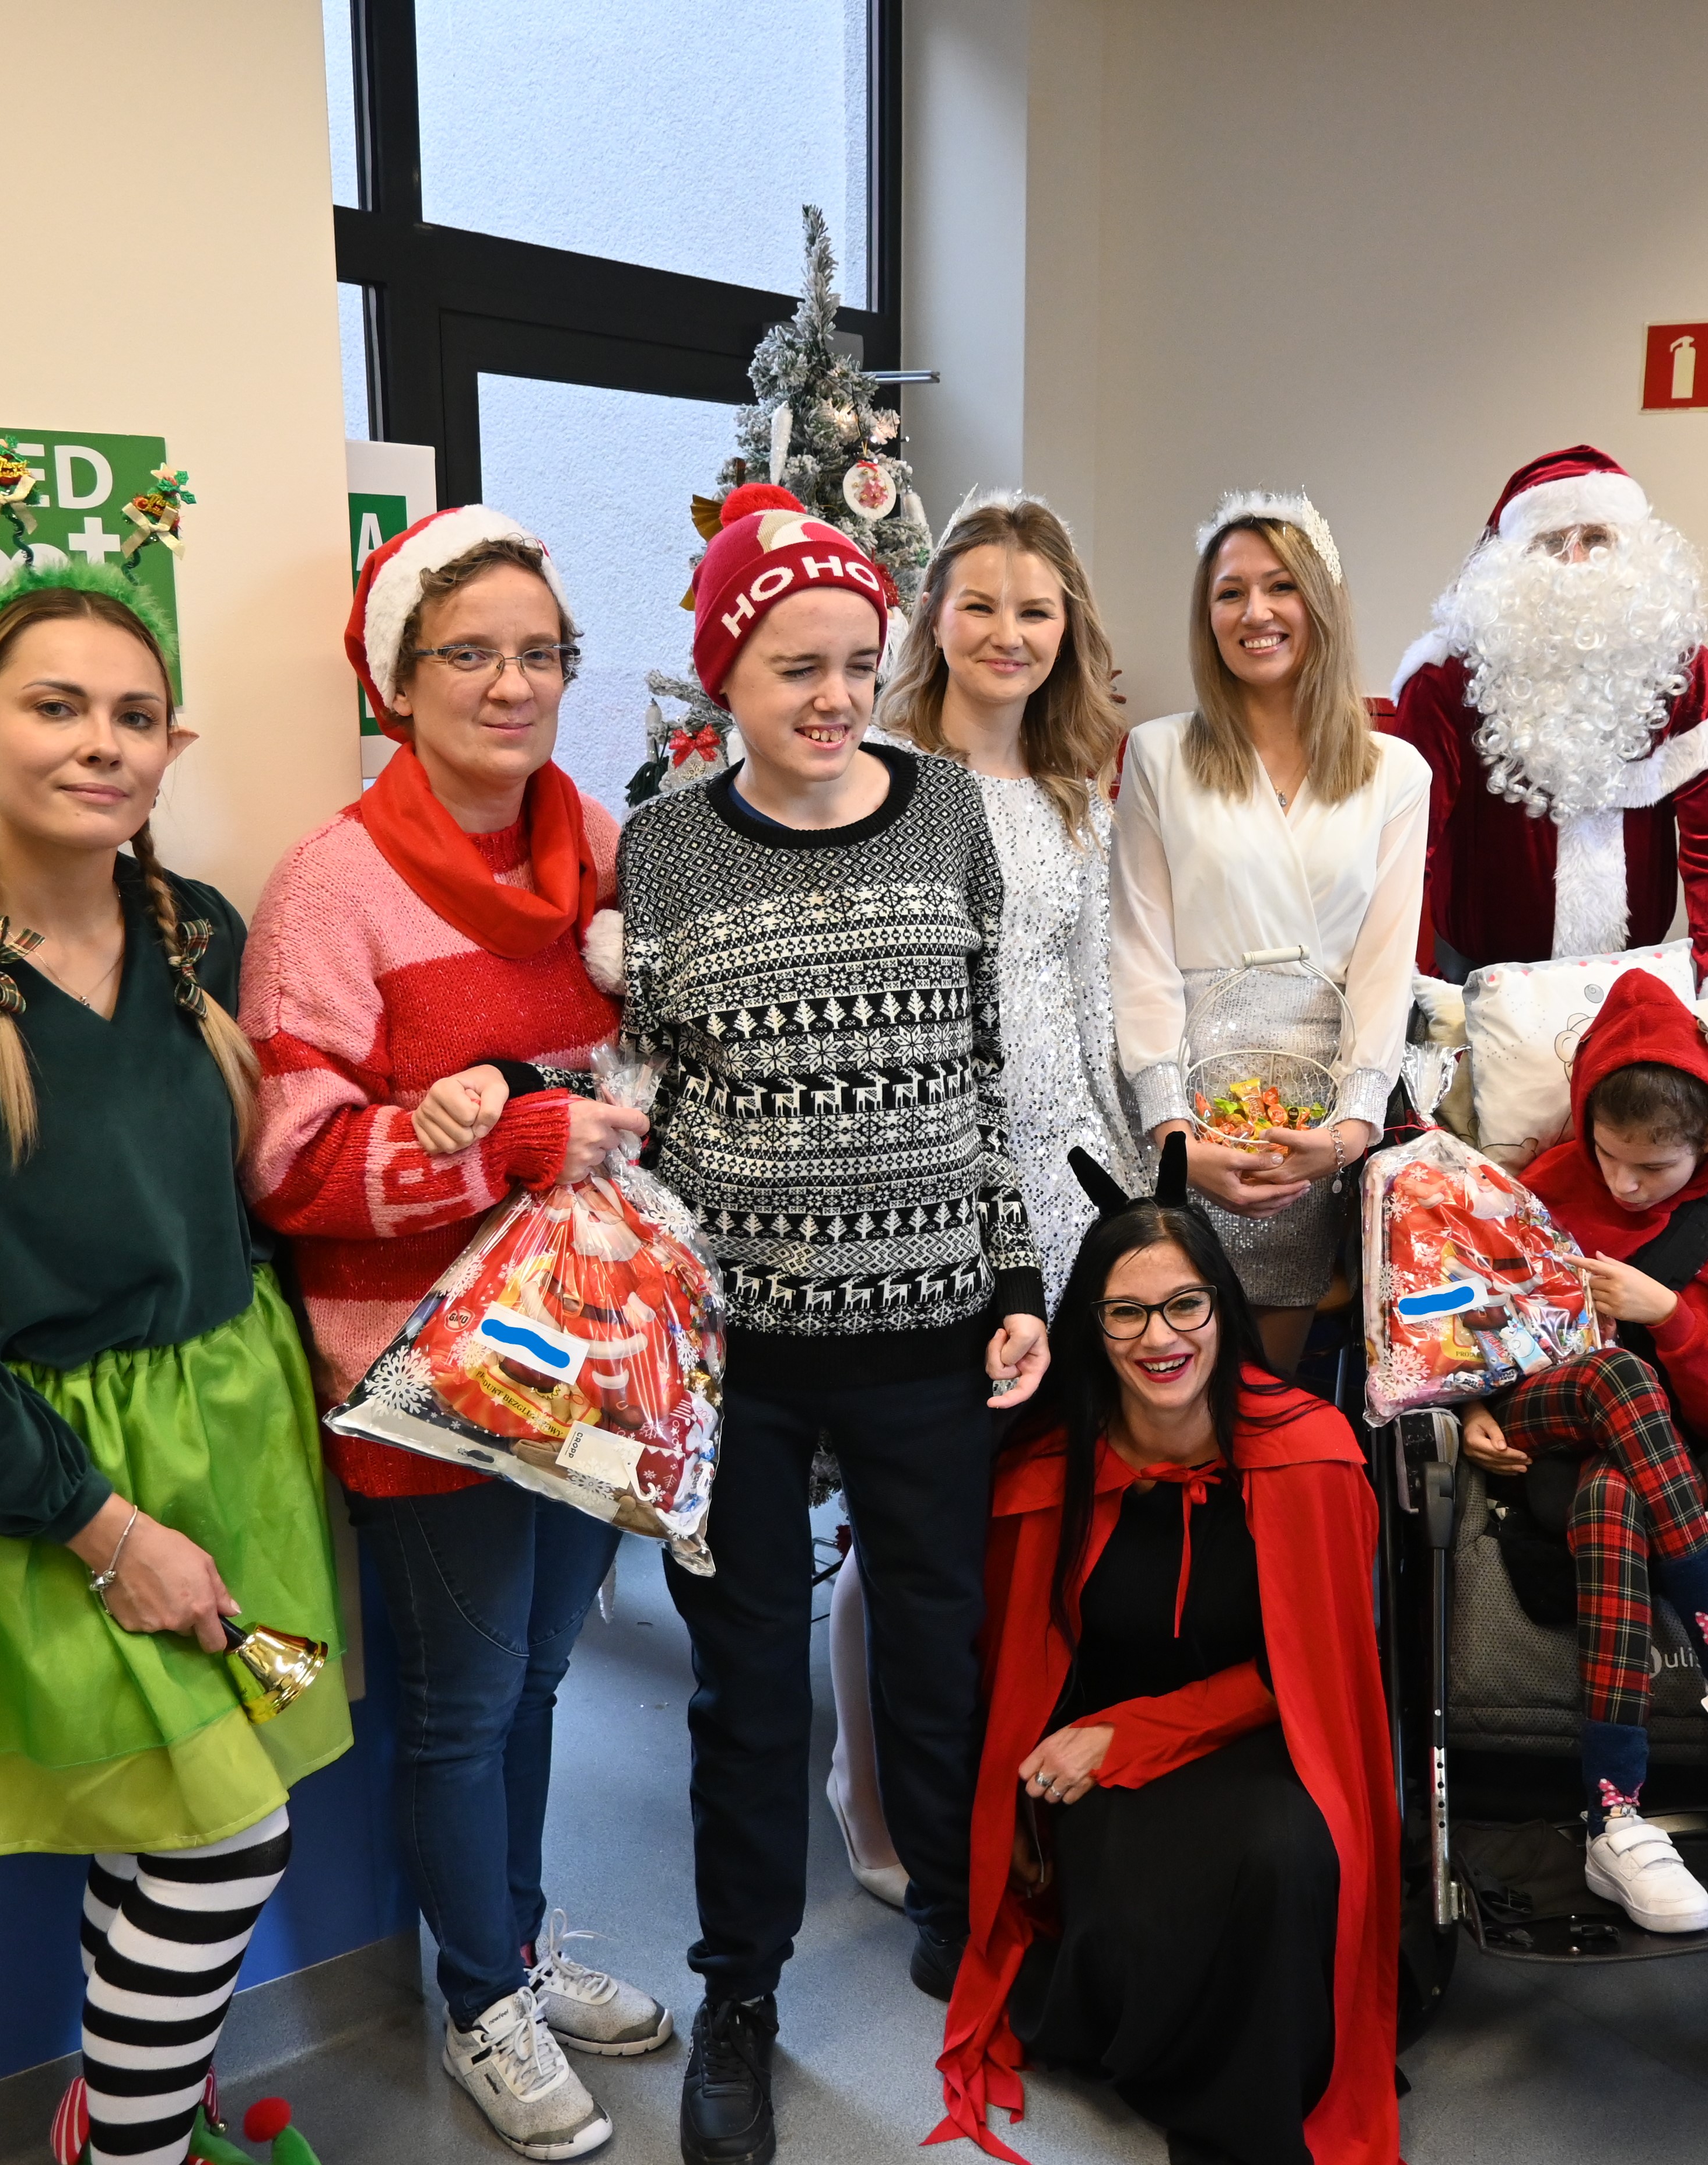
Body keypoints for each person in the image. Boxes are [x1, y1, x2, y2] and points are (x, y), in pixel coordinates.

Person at [0, 563, 348, 2165]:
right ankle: (133, 2153)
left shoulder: (203, 937)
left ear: (174, 747)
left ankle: (108, 2126)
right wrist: (107, 1531)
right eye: (56, 706)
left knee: (162, 1822)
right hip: (49, 1494)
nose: (102, 742)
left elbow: (263, 1191)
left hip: (233, 1448)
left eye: (135, 714)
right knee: (226, 1841)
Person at [618, 484, 1050, 2165]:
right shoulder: (666, 849)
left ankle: (955, 1916)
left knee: (938, 1652)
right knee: (746, 1689)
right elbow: (643, 1101)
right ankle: (740, 1994)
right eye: (794, 667)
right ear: (725, 675)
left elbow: (985, 1068)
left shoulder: (947, 815)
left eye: (858, 664)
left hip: (931, 1329)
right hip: (739, 1357)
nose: (833, 699)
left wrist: (1014, 1278)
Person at [240, 505, 668, 2159]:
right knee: (464, 1707)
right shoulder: (330, 887)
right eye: (470, 654)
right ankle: (480, 2000)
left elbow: (641, 1073)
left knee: (542, 1678)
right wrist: (504, 1144)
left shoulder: (600, 850)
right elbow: (292, 1168)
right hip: (427, 1386)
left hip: (585, 1364)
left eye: (539, 653)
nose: (511, 683)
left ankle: (518, 1951)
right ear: (397, 680)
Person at [933, 1140, 1399, 2165]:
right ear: (1091, 1328)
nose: (1160, 1337)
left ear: (1222, 1309)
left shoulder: (1310, 1457)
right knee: (1149, 1900)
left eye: (1185, 1304)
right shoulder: (1045, 1473)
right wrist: (1009, 1807)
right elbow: (1008, 1678)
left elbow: (1317, 1675)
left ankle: (1246, 2130)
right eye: (1127, 1312)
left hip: (1264, 1738)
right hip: (1094, 1768)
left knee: (1284, 1856)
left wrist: (1139, 1731)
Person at [825, 489, 1139, 1911]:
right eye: (982, 605)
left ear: (1066, 629)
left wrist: (1123, 1188)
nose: (1008, 633)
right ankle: (870, 1790)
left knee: (1018, 1513)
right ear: (934, 619)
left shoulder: (1077, 793)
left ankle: (1000, 1782)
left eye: (1035, 609)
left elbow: (1085, 1008)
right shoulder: (878, 775)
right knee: (903, 1522)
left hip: (1061, 1200)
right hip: (927, 1198)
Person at [1453, 971, 1708, 1932]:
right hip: (1541, 1418)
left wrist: (1670, 1316)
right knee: (1617, 1375)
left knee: (1613, 1492)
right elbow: (1474, 1323)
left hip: (1654, 1459)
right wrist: (1472, 1404)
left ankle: (1613, 1820)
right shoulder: (1541, 1186)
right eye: (1608, 1157)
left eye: (1652, 1168)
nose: (1622, 1184)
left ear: (1706, 1143)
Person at [1112, 491, 1432, 1372]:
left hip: (1316, 1122)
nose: (1255, 612)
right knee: (1165, 1373)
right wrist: (1173, 1136)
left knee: (1261, 1396)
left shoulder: (1396, 772)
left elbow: (1386, 964)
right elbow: (1137, 949)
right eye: (1230, 592)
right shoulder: (1159, 755)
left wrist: (1347, 1132)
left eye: (1280, 586)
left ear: (1321, 601)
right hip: (1182, 1107)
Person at [1386, 445, 1708, 1052]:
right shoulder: (1448, 678)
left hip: (1637, 993)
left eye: (1598, 539)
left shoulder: (1687, 678)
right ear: (1510, 563)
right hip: (1475, 993)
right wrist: (1395, 989)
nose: (1576, 562)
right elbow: (1400, 853)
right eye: (1552, 542)